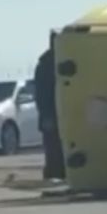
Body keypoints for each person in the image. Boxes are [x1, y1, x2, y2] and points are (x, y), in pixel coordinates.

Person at [34, 47, 65, 180]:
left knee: (52, 145)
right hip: (52, 111)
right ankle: (55, 172)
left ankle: (54, 172)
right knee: (53, 145)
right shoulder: (48, 65)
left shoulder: (45, 64)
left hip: (52, 111)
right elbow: (42, 93)